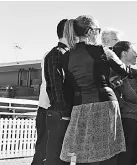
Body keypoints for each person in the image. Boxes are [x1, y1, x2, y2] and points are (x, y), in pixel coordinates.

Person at [59, 15, 137, 164]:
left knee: (83, 155)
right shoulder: (102, 51)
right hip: (105, 105)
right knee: (108, 155)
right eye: (98, 30)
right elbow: (126, 70)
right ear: (91, 31)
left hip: (80, 108)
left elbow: (66, 88)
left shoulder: (66, 55)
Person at [31, 19, 69, 165]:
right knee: (44, 154)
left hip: (50, 110)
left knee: (50, 154)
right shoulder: (53, 54)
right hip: (48, 109)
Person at [110, 41, 137, 165]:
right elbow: (133, 97)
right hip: (126, 120)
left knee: (134, 157)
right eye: (134, 51)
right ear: (125, 53)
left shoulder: (133, 73)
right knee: (126, 158)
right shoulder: (119, 73)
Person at [42, 18, 73, 165]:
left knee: (64, 159)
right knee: (56, 160)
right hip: (60, 115)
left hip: (62, 114)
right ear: (68, 31)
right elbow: (56, 87)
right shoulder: (57, 53)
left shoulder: (67, 53)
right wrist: (65, 113)